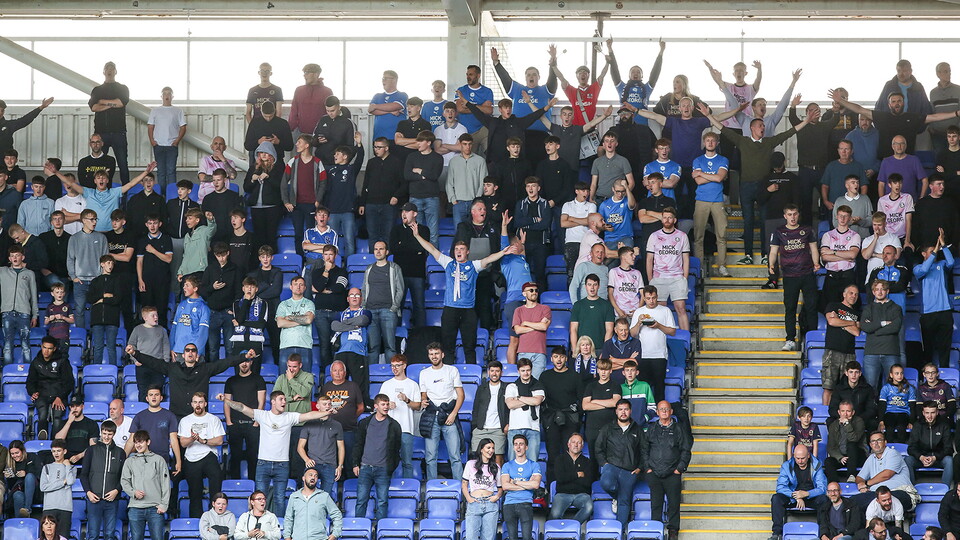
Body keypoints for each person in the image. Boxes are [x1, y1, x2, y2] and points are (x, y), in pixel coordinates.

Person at [706, 105, 817, 266]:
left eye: (764, 126)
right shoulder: (742, 141)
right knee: (748, 221)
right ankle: (748, 255)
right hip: (746, 187)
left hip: (764, 187)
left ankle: (765, 254)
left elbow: (789, 132)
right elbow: (723, 129)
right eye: (760, 126)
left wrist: (806, 121)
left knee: (765, 221)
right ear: (752, 128)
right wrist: (708, 116)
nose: (763, 128)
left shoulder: (768, 142)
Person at [411, 222, 514, 365]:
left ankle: (471, 370)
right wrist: (417, 236)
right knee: (448, 346)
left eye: (462, 249)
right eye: (456, 249)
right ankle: (448, 373)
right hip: (450, 309)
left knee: (469, 347)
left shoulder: (473, 265)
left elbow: (488, 259)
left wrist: (503, 252)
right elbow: (432, 249)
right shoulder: (448, 263)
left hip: (468, 311)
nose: (459, 251)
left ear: (467, 252)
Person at [218, 390, 330, 517]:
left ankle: (279, 525)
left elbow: (309, 415)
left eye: (285, 399)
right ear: (273, 402)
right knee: (259, 498)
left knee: (280, 499)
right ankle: (260, 524)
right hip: (263, 463)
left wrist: (327, 412)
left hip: (282, 465)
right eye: (281, 399)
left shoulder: (289, 417)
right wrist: (225, 400)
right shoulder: (263, 415)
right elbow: (242, 407)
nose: (284, 402)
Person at [129, 341, 255, 419]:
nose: (190, 352)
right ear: (183, 355)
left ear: (197, 356)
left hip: (199, 415)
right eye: (187, 350)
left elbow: (226, 362)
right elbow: (153, 362)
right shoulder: (173, 368)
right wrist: (135, 353)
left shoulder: (205, 369)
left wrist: (244, 357)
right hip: (177, 416)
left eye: (193, 350)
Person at [768, 205, 821, 351]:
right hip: (789, 276)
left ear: (798, 215)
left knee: (811, 307)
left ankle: (812, 337)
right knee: (790, 308)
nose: (792, 217)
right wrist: (771, 264)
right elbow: (773, 251)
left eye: (795, 214)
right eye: (790, 214)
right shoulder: (779, 231)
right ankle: (790, 339)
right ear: (785, 216)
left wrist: (816, 263)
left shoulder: (807, 230)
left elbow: (813, 248)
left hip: (807, 274)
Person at [645, 401, 693, 540]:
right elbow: (644, 449)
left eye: (667, 409)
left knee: (674, 504)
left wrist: (679, 468)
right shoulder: (651, 429)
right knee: (656, 504)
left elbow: (686, 450)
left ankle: (673, 531)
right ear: (657, 412)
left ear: (671, 411)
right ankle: (655, 531)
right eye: (661, 409)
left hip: (673, 473)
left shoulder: (679, 429)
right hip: (654, 473)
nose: (664, 411)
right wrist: (648, 468)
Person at [124, 386, 181, 499]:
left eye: (156, 395)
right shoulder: (139, 416)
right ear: (147, 398)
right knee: (142, 491)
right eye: (151, 395)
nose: (154, 397)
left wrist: (178, 461)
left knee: (160, 491)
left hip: (162, 459)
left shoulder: (169, 416)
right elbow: (131, 440)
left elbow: (174, 439)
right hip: (142, 460)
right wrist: (123, 458)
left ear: (161, 398)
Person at [419, 343, 466, 480]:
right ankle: (431, 486)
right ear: (428, 356)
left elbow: (461, 395)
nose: (434, 356)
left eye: (436, 353)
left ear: (442, 355)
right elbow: (423, 394)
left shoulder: (452, 370)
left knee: (455, 456)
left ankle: (458, 486)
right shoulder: (424, 373)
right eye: (431, 354)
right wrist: (423, 400)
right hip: (432, 416)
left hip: (449, 415)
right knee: (430, 457)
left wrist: (453, 414)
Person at [352, 394, 402, 520]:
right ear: (376, 406)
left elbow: (397, 449)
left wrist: (390, 467)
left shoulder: (394, 425)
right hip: (365, 467)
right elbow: (358, 444)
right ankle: (359, 528)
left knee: (382, 502)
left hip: (383, 469)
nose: (386, 407)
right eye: (383, 404)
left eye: (387, 404)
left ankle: (381, 527)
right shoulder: (364, 423)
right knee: (361, 500)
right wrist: (355, 464)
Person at [595, 399, 644, 527]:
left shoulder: (637, 429)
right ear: (616, 411)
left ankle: (620, 531)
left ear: (630, 411)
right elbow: (598, 448)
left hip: (630, 471)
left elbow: (644, 451)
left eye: (626, 409)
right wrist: (604, 464)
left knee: (625, 501)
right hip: (611, 466)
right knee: (606, 484)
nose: (623, 412)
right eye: (620, 409)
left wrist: (639, 468)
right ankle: (617, 496)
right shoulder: (607, 428)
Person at [178, 393, 225, 518]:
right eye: (195, 402)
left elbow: (219, 441)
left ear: (205, 404)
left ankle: (215, 518)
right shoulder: (185, 420)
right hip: (191, 458)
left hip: (209, 455)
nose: (198, 405)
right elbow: (183, 443)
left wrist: (203, 440)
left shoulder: (213, 419)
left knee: (216, 488)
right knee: (194, 494)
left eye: (200, 402)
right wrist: (193, 438)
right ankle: (196, 521)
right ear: (192, 404)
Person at [914, 229, 955, 367]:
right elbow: (924, 270)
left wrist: (943, 245)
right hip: (928, 314)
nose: (935, 253)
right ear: (923, 254)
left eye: (935, 251)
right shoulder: (918, 268)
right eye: (931, 251)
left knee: (945, 347)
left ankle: (945, 372)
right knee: (928, 348)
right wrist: (936, 250)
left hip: (944, 311)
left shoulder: (941, 265)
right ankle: (928, 374)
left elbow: (951, 262)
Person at [645, 207, 690, 331]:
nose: (667, 220)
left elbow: (686, 259)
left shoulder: (682, 236)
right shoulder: (654, 236)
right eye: (664, 217)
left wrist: (684, 278)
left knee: (681, 308)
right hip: (659, 278)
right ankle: (661, 337)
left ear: (674, 220)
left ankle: (685, 338)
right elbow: (649, 259)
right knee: (660, 310)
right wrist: (651, 279)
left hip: (677, 277)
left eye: (670, 218)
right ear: (661, 219)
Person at [691, 131, 730, 276]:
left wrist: (701, 173)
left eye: (713, 140)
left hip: (717, 200)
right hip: (701, 200)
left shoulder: (723, 159)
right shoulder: (698, 160)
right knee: (698, 236)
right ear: (704, 142)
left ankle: (722, 266)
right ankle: (700, 267)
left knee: (721, 235)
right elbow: (698, 181)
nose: (710, 143)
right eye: (707, 140)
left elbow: (719, 178)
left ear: (717, 143)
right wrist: (713, 176)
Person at [629, 285, 677, 403]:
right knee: (643, 388)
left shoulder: (665, 310)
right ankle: (644, 410)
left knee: (659, 387)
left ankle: (659, 411)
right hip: (643, 355)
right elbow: (632, 334)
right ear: (644, 298)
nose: (651, 301)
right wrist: (639, 322)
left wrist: (658, 325)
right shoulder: (639, 312)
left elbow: (672, 332)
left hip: (660, 355)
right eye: (648, 298)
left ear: (657, 297)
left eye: (654, 298)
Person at [771, 444, 828, 540]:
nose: (800, 461)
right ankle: (777, 533)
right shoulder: (787, 466)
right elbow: (780, 487)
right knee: (776, 498)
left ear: (808, 455)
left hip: (811, 497)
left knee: (824, 499)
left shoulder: (816, 465)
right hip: (793, 498)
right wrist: (796, 496)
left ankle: (823, 534)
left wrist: (807, 494)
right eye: (797, 458)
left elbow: (822, 488)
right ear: (794, 456)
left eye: (802, 458)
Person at [79, 421, 125, 540]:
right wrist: (88, 492)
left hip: (112, 500)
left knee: (109, 535)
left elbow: (124, 477)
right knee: (93, 535)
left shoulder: (120, 452)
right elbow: (83, 475)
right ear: (101, 433)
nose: (106, 437)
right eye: (104, 433)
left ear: (114, 434)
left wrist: (117, 490)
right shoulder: (91, 450)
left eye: (109, 434)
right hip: (94, 499)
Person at [121, 430, 171, 540]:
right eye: (136, 442)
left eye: (141, 442)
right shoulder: (129, 461)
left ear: (148, 442)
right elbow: (124, 481)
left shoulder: (159, 460)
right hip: (135, 508)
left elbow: (165, 484)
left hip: (155, 508)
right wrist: (133, 493)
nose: (138, 445)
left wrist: (164, 505)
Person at [272, 355, 316, 480]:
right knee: (284, 455)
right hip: (284, 423)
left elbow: (304, 392)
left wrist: (291, 380)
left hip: (301, 424)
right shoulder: (281, 378)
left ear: (300, 365)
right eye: (289, 366)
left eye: (294, 367)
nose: (291, 370)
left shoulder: (308, 376)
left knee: (298, 456)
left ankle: (298, 482)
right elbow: (275, 398)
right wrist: (292, 398)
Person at [379, 354, 422, 479]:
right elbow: (379, 406)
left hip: (406, 428)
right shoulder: (386, 384)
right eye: (392, 366)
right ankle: (388, 486)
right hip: (388, 428)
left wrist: (406, 400)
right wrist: (387, 405)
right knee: (388, 462)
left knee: (407, 462)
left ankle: (408, 486)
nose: (394, 368)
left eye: (397, 365)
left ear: (404, 366)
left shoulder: (412, 385)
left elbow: (417, 406)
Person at [224, 354, 266, 481]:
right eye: (242, 361)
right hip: (235, 424)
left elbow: (261, 402)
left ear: (251, 362)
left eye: (247, 361)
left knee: (253, 457)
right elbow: (227, 402)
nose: (244, 364)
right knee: (235, 457)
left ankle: (254, 485)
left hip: (252, 424)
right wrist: (229, 422)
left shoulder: (258, 379)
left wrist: (257, 421)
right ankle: (235, 484)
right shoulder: (231, 381)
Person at [362, 241, 404, 366]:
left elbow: (400, 289)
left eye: (381, 249)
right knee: (372, 347)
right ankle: (372, 375)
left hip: (388, 311)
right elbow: (364, 289)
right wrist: (364, 307)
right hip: (371, 311)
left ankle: (392, 373)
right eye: (376, 249)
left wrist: (394, 307)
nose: (378, 251)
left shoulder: (394, 268)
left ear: (387, 252)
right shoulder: (369, 269)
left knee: (390, 346)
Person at [320, 360, 364, 479]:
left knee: (350, 460)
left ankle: (350, 485)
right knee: (332, 460)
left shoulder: (353, 386)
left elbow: (361, 407)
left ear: (345, 372)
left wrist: (351, 416)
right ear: (331, 373)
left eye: (340, 370)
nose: (338, 373)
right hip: (330, 431)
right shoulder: (326, 387)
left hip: (349, 430)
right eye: (335, 370)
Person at [852, 432, 916, 512]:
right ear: (870, 445)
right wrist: (861, 484)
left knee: (880, 499)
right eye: (873, 441)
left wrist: (866, 483)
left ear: (885, 442)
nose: (876, 443)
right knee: (851, 502)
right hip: (876, 494)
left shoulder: (893, 453)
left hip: (899, 492)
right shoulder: (871, 458)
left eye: (879, 440)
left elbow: (887, 474)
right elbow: (859, 477)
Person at [88, 62, 130, 185]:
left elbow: (121, 103)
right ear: (103, 71)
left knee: (123, 164)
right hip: (101, 133)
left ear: (116, 71)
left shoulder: (123, 88)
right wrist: (112, 104)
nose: (109, 71)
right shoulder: (97, 90)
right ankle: (100, 190)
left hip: (119, 132)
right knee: (99, 164)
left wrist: (102, 102)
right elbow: (94, 107)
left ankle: (125, 192)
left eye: (112, 68)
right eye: (107, 68)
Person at [400, 131, 444, 246]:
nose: (418, 143)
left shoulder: (438, 158)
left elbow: (434, 176)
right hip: (415, 197)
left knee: (433, 231)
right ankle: (416, 254)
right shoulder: (411, 156)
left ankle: (433, 256)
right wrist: (423, 176)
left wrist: (419, 171)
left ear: (428, 142)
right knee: (415, 230)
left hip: (432, 197)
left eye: (420, 141)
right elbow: (407, 175)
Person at [390, 202, 429, 327]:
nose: (403, 214)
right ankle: (396, 334)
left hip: (418, 274)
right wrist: (414, 244)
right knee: (397, 306)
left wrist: (403, 244)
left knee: (419, 306)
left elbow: (422, 248)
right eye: (402, 211)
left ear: (415, 214)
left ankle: (421, 335)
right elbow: (393, 249)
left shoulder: (424, 230)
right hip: (400, 274)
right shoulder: (396, 229)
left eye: (407, 211)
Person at [26, 336, 72, 440]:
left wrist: (60, 397)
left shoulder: (63, 361)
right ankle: (43, 438)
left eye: (49, 348)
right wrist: (33, 392)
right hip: (42, 394)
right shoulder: (36, 362)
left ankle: (55, 441)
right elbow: (30, 381)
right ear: (41, 347)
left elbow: (69, 383)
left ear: (54, 349)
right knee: (43, 413)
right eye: (44, 347)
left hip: (59, 394)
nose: (46, 351)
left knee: (57, 416)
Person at [359, 137, 403, 245]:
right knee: (372, 235)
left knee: (388, 235)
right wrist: (362, 203)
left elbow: (404, 183)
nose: (376, 150)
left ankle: (387, 256)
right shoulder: (371, 162)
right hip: (371, 204)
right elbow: (366, 183)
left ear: (386, 148)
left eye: (379, 147)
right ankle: (372, 256)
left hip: (388, 204)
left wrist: (396, 196)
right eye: (375, 147)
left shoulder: (397, 162)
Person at [244, 141, 286, 254]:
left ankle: (273, 260)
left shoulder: (278, 168)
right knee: (259, 238)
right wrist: (252, 180)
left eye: (266, 152)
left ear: (271, 154)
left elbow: (280, 186)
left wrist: (268, 177)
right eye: (261, 152)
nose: (263, 155)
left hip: (272, 207)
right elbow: (246, 188)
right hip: (256, 208)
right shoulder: (253, 168)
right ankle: (259, 261)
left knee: (271, 237)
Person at [861, 281, 904, 393]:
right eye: (877, 289)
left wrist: (875, 330)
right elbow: (865, 327)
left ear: (887, 291)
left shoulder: (896, 308)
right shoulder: (868, 308)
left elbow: (895, 327)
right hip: (871, 353)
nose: (880, 292)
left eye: (883, 289)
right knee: (870, 389)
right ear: (873, 292)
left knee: (894, 388)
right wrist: (883, 323)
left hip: (890, 352)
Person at [297, 395, 344, 495]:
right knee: (307, 494)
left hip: (330, 465)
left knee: (325, 496)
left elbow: (341, 447)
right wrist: (307, 460)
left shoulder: (337, 425)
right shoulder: (309, 423)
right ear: (318, 406)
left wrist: (340, 466)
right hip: (313, 463)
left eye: (329, 404)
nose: (327, 406)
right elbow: (300, 447)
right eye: (324, 404)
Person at [201, 242, 241, 359]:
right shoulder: (210, 269)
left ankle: (229, 370)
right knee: (213, 348)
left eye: (223, 255)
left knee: (230, 347)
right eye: (218, 256)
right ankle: (215, 370)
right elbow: (202, 290)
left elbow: (239, 292)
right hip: (213, 312)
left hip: (228, 312)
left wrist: (234, 309)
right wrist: (212, 287)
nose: (221, 258)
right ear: (215, 255)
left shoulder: (235, 269)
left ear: (228, 253)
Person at [823, 285, 861, 407]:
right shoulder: (833, 306)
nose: (853, 296)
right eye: (851, 293)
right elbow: (831, 321)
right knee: (829, 387)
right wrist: (851, 323)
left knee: (847, 388)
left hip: (849, 353)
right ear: (844, 294)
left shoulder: (857, 313)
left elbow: (856, 332)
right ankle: (826, 414)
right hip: (832, 351)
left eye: (856, 294)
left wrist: (839, 321)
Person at [332, 288, 372, 405]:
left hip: (358, 352)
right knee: (339, 382)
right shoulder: (340, 313)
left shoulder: (365, 312)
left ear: (361, 299)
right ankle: (338, 406)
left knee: (360, 385)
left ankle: (361, 407)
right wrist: (354, 326)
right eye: (352, 295)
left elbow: (362, 320)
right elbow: (334, 326)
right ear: (347, 299)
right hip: (340, 352)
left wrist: (344, 324)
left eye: (357, 295)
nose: (354, 297)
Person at [500, 434, 543, 540]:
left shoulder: (534, 465)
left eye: (521, 444)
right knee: (512, 538)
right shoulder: (507, 465)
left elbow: (535, 485)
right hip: (509, 504)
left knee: (527, 538)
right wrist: (527, 484)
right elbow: (505, 486)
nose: (518, 447)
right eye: (516, 444)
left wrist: (515, 482)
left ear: (526, 447)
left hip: (525, 503)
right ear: (513, 447)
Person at [1, 244, 38, 364]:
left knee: (25, 344)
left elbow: (33, 296)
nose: (15, 258)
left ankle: (28, 371)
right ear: (9, 258)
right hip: (7, 312)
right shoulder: (3, 272)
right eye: (12, 256)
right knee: (7, 344)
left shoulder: (30, 273)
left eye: (17, 255)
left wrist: (35, 315)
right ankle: (7, 371)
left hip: (24, 313)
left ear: (23, 257)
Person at [283, 467, 342, 540]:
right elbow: (288, 519)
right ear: (303, 478)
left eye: (315, 476)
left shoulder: (324, 496)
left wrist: (335, 534)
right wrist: (287, 537)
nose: (313, 478)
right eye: (310, 475)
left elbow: (337, 515)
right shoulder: (294, 497)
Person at [505, 358, 545, 462]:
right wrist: (530, 399)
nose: (526, 373)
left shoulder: (538, 385)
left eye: (528, 370)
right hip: (514, 428)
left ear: (531, 370)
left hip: (533, 428)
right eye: (523, 370)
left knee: (532, 462)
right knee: (513, 462)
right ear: (518, 371)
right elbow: (510, 404)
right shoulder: (511, 386)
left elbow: (537, 401)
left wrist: (518, 397)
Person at [146, 87, 186, 192]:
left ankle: (172, 194)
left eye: (169, 94)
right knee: (161, 172)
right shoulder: (155, 111)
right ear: (161, 96)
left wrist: (177, 141)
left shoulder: (178, 111)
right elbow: (150, 126)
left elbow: (183, 127)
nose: (167, 96)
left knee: (171, 171)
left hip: (172, 146)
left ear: (172, 96)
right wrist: (152, 141)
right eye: (165, 94)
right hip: (158, 145)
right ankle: (162, 194)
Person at [462, 438, 503, 540]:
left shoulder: (496, 467)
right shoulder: (470, 464)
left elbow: (501, 488)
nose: (491, 450)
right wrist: (468, 498)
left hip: (490, 504)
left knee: (488, 537)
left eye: (493, 448)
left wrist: (497, 496)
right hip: (474, 503)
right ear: (481, 449)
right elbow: (464, 484)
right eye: (488, 448)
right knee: (471, 537)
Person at [127, 306, 171, 402]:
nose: (156, 317)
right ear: (145, 317)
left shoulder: (162, 330)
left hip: (158, 366)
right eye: (153, 315)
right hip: (142, 365)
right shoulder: (137, 329)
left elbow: (166, 346)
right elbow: (131, 345)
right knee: (143, 391)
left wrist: (165, 362)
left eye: (156, 315)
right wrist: (134, 359)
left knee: (158, 391)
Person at [470, 360, 509, 467]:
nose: (494, 373)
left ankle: (497, 479)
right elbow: (476, 409)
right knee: (477, 461)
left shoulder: (507, 388)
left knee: (498, 461)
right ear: (488, 372)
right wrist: (475, 427)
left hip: (498, 429)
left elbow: (511, 409)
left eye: (497, 371)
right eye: (492, 371)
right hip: (480, 429)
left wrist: (508, 424)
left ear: (501, 373)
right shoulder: (481, 388)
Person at [571, 275, 616, 364]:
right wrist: (575, 349)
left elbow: (609, 330)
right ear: (585, 286)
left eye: (595, 285)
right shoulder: (578, 305)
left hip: (600, 349)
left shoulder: (607, 305)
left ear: (598, 286)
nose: (592, 288)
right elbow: (573, 329)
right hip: (582, 349)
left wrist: (605, 350)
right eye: (589, 284)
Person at [905, 402, 952, 485]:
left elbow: (949, 449)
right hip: (922, 459)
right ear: (923, 413)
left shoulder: (944, 425)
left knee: (949, 460)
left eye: (932, 413)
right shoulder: (917, 425)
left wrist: (935, 457)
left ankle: (946, 489)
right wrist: (921, 457)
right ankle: (911, 489)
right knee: (908, 460)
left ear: (937, 412)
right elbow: (911, 448)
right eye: (927, 413)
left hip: (938, 459)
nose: (929, 416)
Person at [275, 277, 315, 369]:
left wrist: (289, 317)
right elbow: (280, 323)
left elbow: (308, 320)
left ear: (305, 287)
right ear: (291, 287)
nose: (298, 287)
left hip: (305, 345)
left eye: (301, 284)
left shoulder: (309, 303)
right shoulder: (283, 304)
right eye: (296, 284)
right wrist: (302, 320)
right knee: (285, 377)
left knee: (305, 377)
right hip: (286, 345)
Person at [823, 400, 867, 483]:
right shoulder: (834, 425)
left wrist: (847, 424)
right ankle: (834, 484)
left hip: (857, 456)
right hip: (842, 457)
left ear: (853, 412)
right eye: (843, 411)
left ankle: (852, 475)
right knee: (828, 461)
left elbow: (853, 439)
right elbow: (831, 447)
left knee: (851, 444)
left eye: (848, 411)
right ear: (839, 412)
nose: (845, 414)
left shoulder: (859, 421)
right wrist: (840, 457)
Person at [169, 277, 211, 362]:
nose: (184, 287)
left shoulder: (203, 307)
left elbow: (203, 332)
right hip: (178, 351)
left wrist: (198, 351)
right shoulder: (181, 305)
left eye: (187, 285)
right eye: (184, 285)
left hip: (193, 352)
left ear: (195, 288)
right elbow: (174, 327)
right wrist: (172, 347)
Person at [40, 440, 75, 537]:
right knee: (48, 536)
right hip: (49, 506)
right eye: (54, 451)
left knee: (63, 536)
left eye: (58, 451)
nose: (56, 454)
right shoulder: (46, 467)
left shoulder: (71, 468)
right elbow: (43, 487)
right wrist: (63, 482)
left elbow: (70, 481)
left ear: (64, 451)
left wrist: (67, 466)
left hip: (65, 507)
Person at [369, 70, 408, 143]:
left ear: (394, 80)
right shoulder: (377, 96)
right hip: (378, 137)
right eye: (383, 78)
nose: (383, 81)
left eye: (386, 78)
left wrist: (376, 106)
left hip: (396, 138)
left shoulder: (402, 95)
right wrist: (390, 112)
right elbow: (371, 109)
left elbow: (395, 106)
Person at [55, 395, 98, 461]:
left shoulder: (92, 424)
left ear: (82, 406)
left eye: (77, 406)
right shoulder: (64, 423)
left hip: (84, 456)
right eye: (72, 406)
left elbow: (93, 447)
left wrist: (80, 455)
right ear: (70, 407)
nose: (75, 409)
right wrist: (69, 422)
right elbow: (58, 441)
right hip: (67, 458)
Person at [197, 137, 238, 201]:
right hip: (205, 198)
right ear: (211, 147)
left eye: (221, 144)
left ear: (225, 147)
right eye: (215, 144)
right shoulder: (205, 160)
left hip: (223, 198)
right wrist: (220, 179)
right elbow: (202, 177)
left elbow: (233, 176)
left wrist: (223, 160)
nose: (218, 146)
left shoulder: (230, 162)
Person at [6, 440, 38, 519]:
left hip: (35, 491)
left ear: (22, 451)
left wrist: (26, 473)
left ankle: (27, 509)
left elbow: (40, 473)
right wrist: (9, 478)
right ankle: (20, 521)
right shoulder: (10, 464)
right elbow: (11, 488)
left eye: (17, 453)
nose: (15, 456)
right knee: (17, 495)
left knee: (29, 476)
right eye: (12, 454)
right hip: (20, 491)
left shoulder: (32, 457)